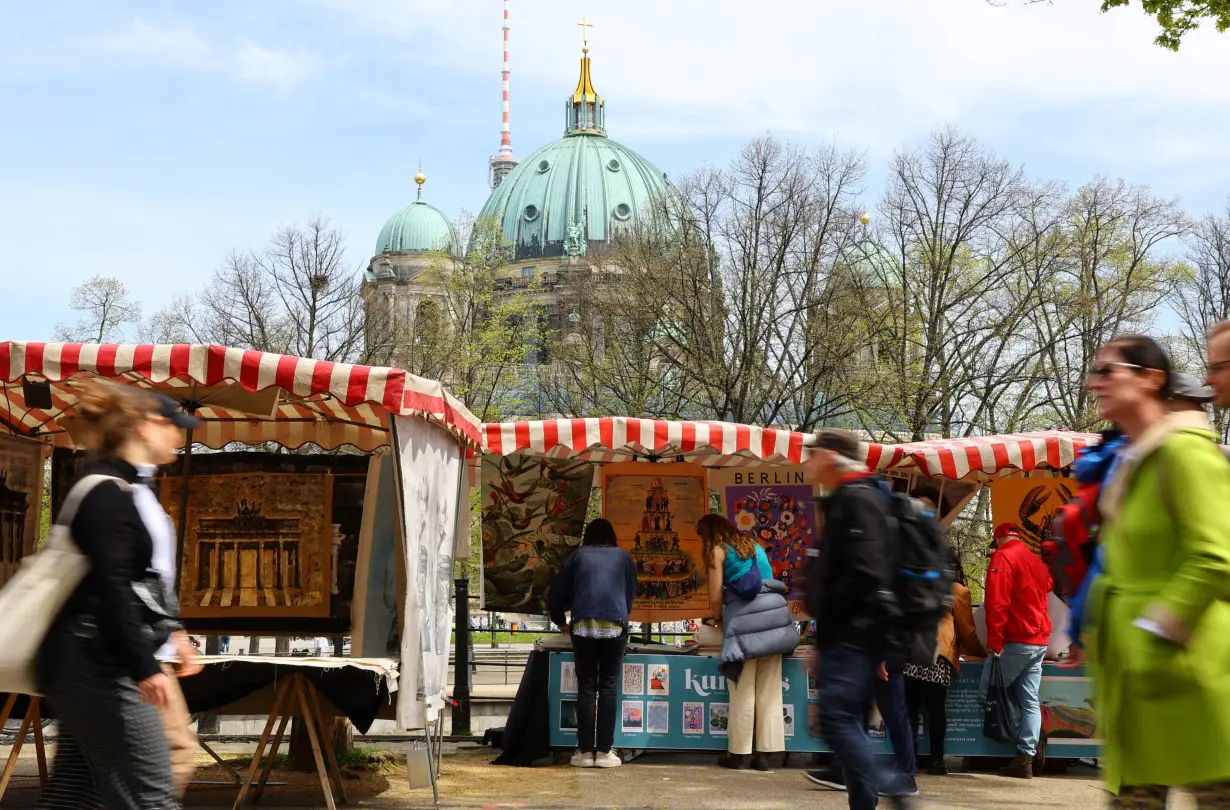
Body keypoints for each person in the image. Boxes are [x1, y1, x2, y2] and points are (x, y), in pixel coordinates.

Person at [36, 382, 203, 809]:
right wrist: (144, 666)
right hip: (102, 664)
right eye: (173, 426)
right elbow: (113, 587)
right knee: (151, 795)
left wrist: (172, 632)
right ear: (145, 427)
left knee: (77, 797)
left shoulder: (117, 487)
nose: (180, 437)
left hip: (88, 661)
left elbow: (136, 579)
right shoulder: (107, 492)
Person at [1086, 334, 1230, 806]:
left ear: (1152, 379)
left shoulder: (1185, 452)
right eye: (1093, 371)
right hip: (1138, 676)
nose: (1094, 383)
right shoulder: (1131, 457)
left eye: (1108, 371)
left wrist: (1155, 631)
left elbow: (1216, 557)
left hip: (1189, 673)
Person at [802, 429, 902, 810]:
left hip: (852, 637)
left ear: (830, 455)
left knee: (838, 720)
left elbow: (865, 574)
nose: (808, 460)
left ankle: (893, 790)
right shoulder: (854, 499)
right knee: (848, 724)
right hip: (850, 637)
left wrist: (831, 631)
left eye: (813, 453)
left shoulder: (858, 500)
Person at [697, 514, 797, 772]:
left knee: (742, 689)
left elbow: (716, 596)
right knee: (770, 689)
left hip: (744, 624)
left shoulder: (717, 551)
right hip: (774, 619)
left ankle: (738, 754)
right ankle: (764, 755)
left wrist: (715, 619)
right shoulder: (754, 546)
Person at [903, 484, 986, 777]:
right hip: (938, 654)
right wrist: (982, 653)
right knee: (936, 708)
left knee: (910, 708)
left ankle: (908, 760)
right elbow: (967, 631)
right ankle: (937, 761)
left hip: (911, 649)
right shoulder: (958, 591)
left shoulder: (914, 581)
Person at [547, 518, 637, 769]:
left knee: (586, 688)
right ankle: (605, 752)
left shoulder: (577, 556)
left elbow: (557, 591)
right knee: (608, 688)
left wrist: (559, 619)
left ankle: (585, 752)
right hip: (615, 624)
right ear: (612, 536)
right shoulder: (623, 557)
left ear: (588, 536)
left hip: (583, 624)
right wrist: (621, 615)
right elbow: (629, 594)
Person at [981, 521, 1052, 779]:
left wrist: (995, 640)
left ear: (999, 539)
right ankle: (1026, 755)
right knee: (1029, 699)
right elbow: (1049, 585)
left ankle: (1028, 738)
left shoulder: (1003, 557)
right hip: (1039, 640)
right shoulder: (1036, 561)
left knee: (988, 690)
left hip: (1016, 639)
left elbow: (997, 602)